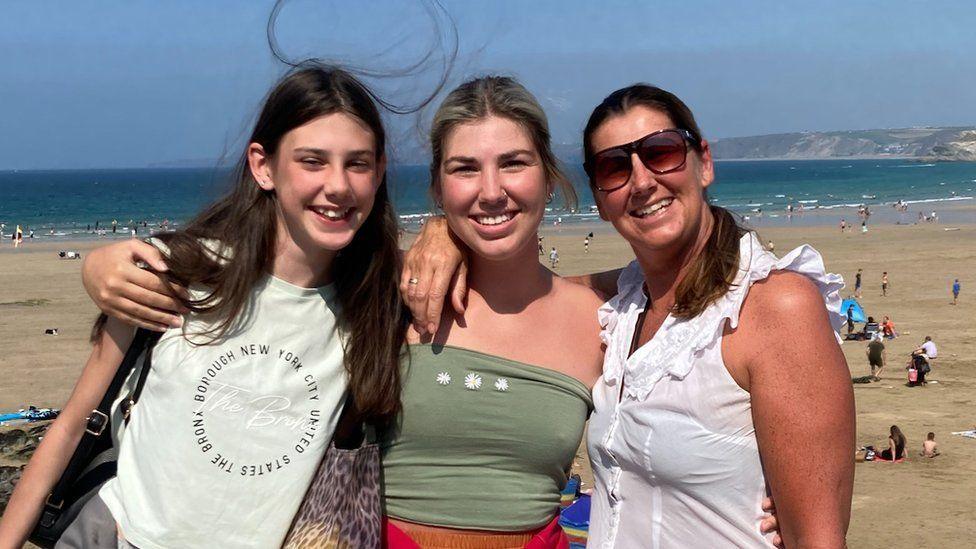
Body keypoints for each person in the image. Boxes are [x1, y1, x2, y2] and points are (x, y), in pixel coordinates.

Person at [404, 83, 851, 547]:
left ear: (705, 163)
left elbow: (818, 536)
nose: (641, 181)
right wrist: (442, 234)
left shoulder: (774, 305)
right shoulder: (621, 308)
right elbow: (532, 290)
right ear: (599, 195)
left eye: (661, 152)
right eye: (615, 166)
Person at [0, 65, 407, 549]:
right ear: (264, 166)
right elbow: (71, 426)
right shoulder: (176, 273)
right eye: (312, 161)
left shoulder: (380, 302)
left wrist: (441, 238)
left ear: (379, 172)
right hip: (119, 536)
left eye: (357, 164)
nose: (338, 185)